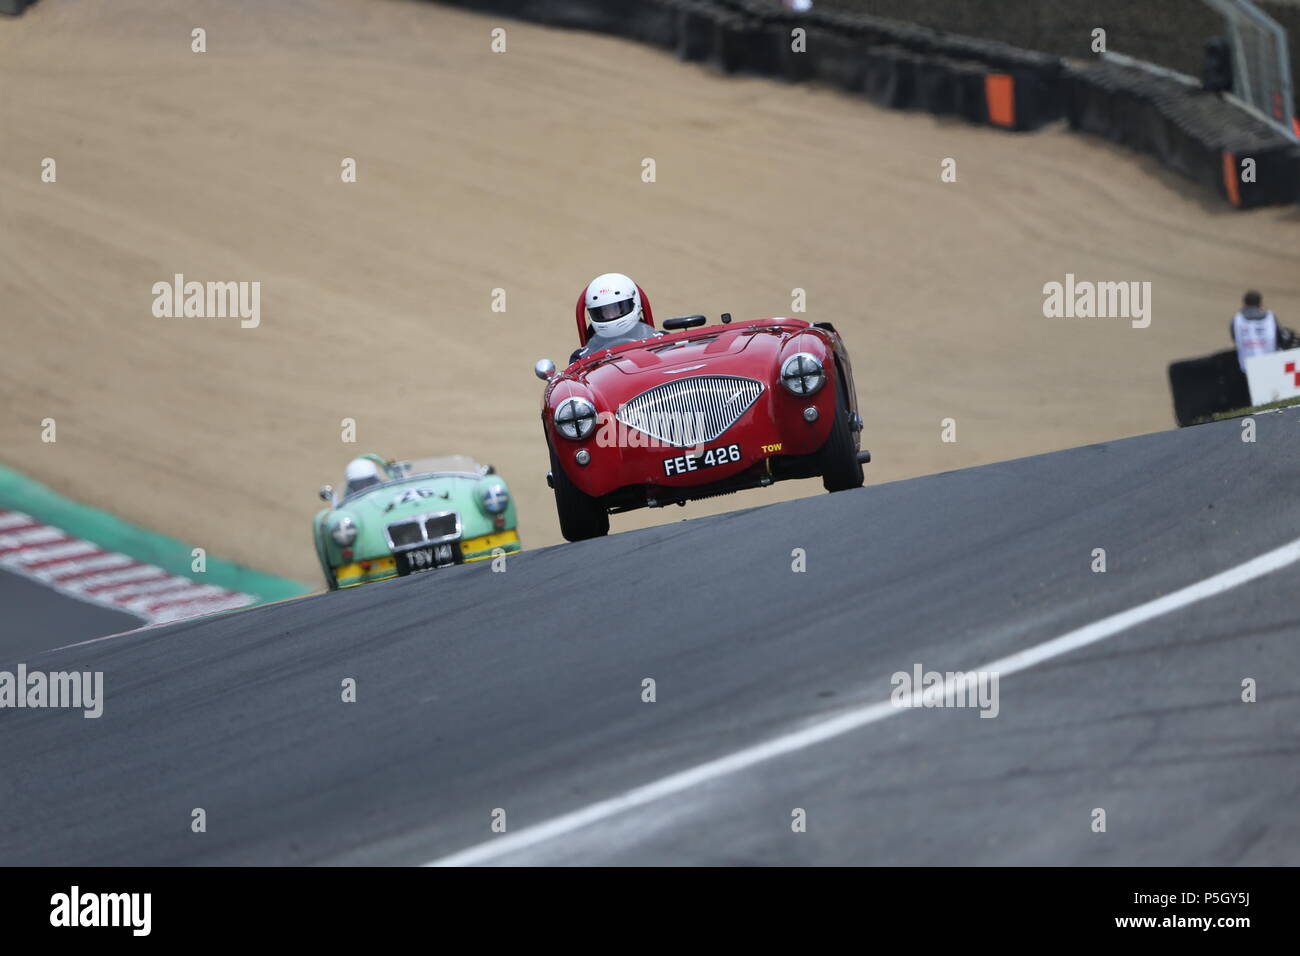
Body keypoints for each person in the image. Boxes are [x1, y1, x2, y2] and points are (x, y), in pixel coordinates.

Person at [570, 272, 662, 363]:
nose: (610, 316)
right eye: (604, 312)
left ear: (634, 303)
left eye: (617, 309)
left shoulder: (662, 340)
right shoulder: (581, 357)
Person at [1229, 290, 1290, 372]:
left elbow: (1235, 339)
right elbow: (1281, 340)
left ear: (1244, 305)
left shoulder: (1237, 320)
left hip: (1246, 370)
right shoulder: (1271, 318)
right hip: (1271, 367)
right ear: (1260, 305)